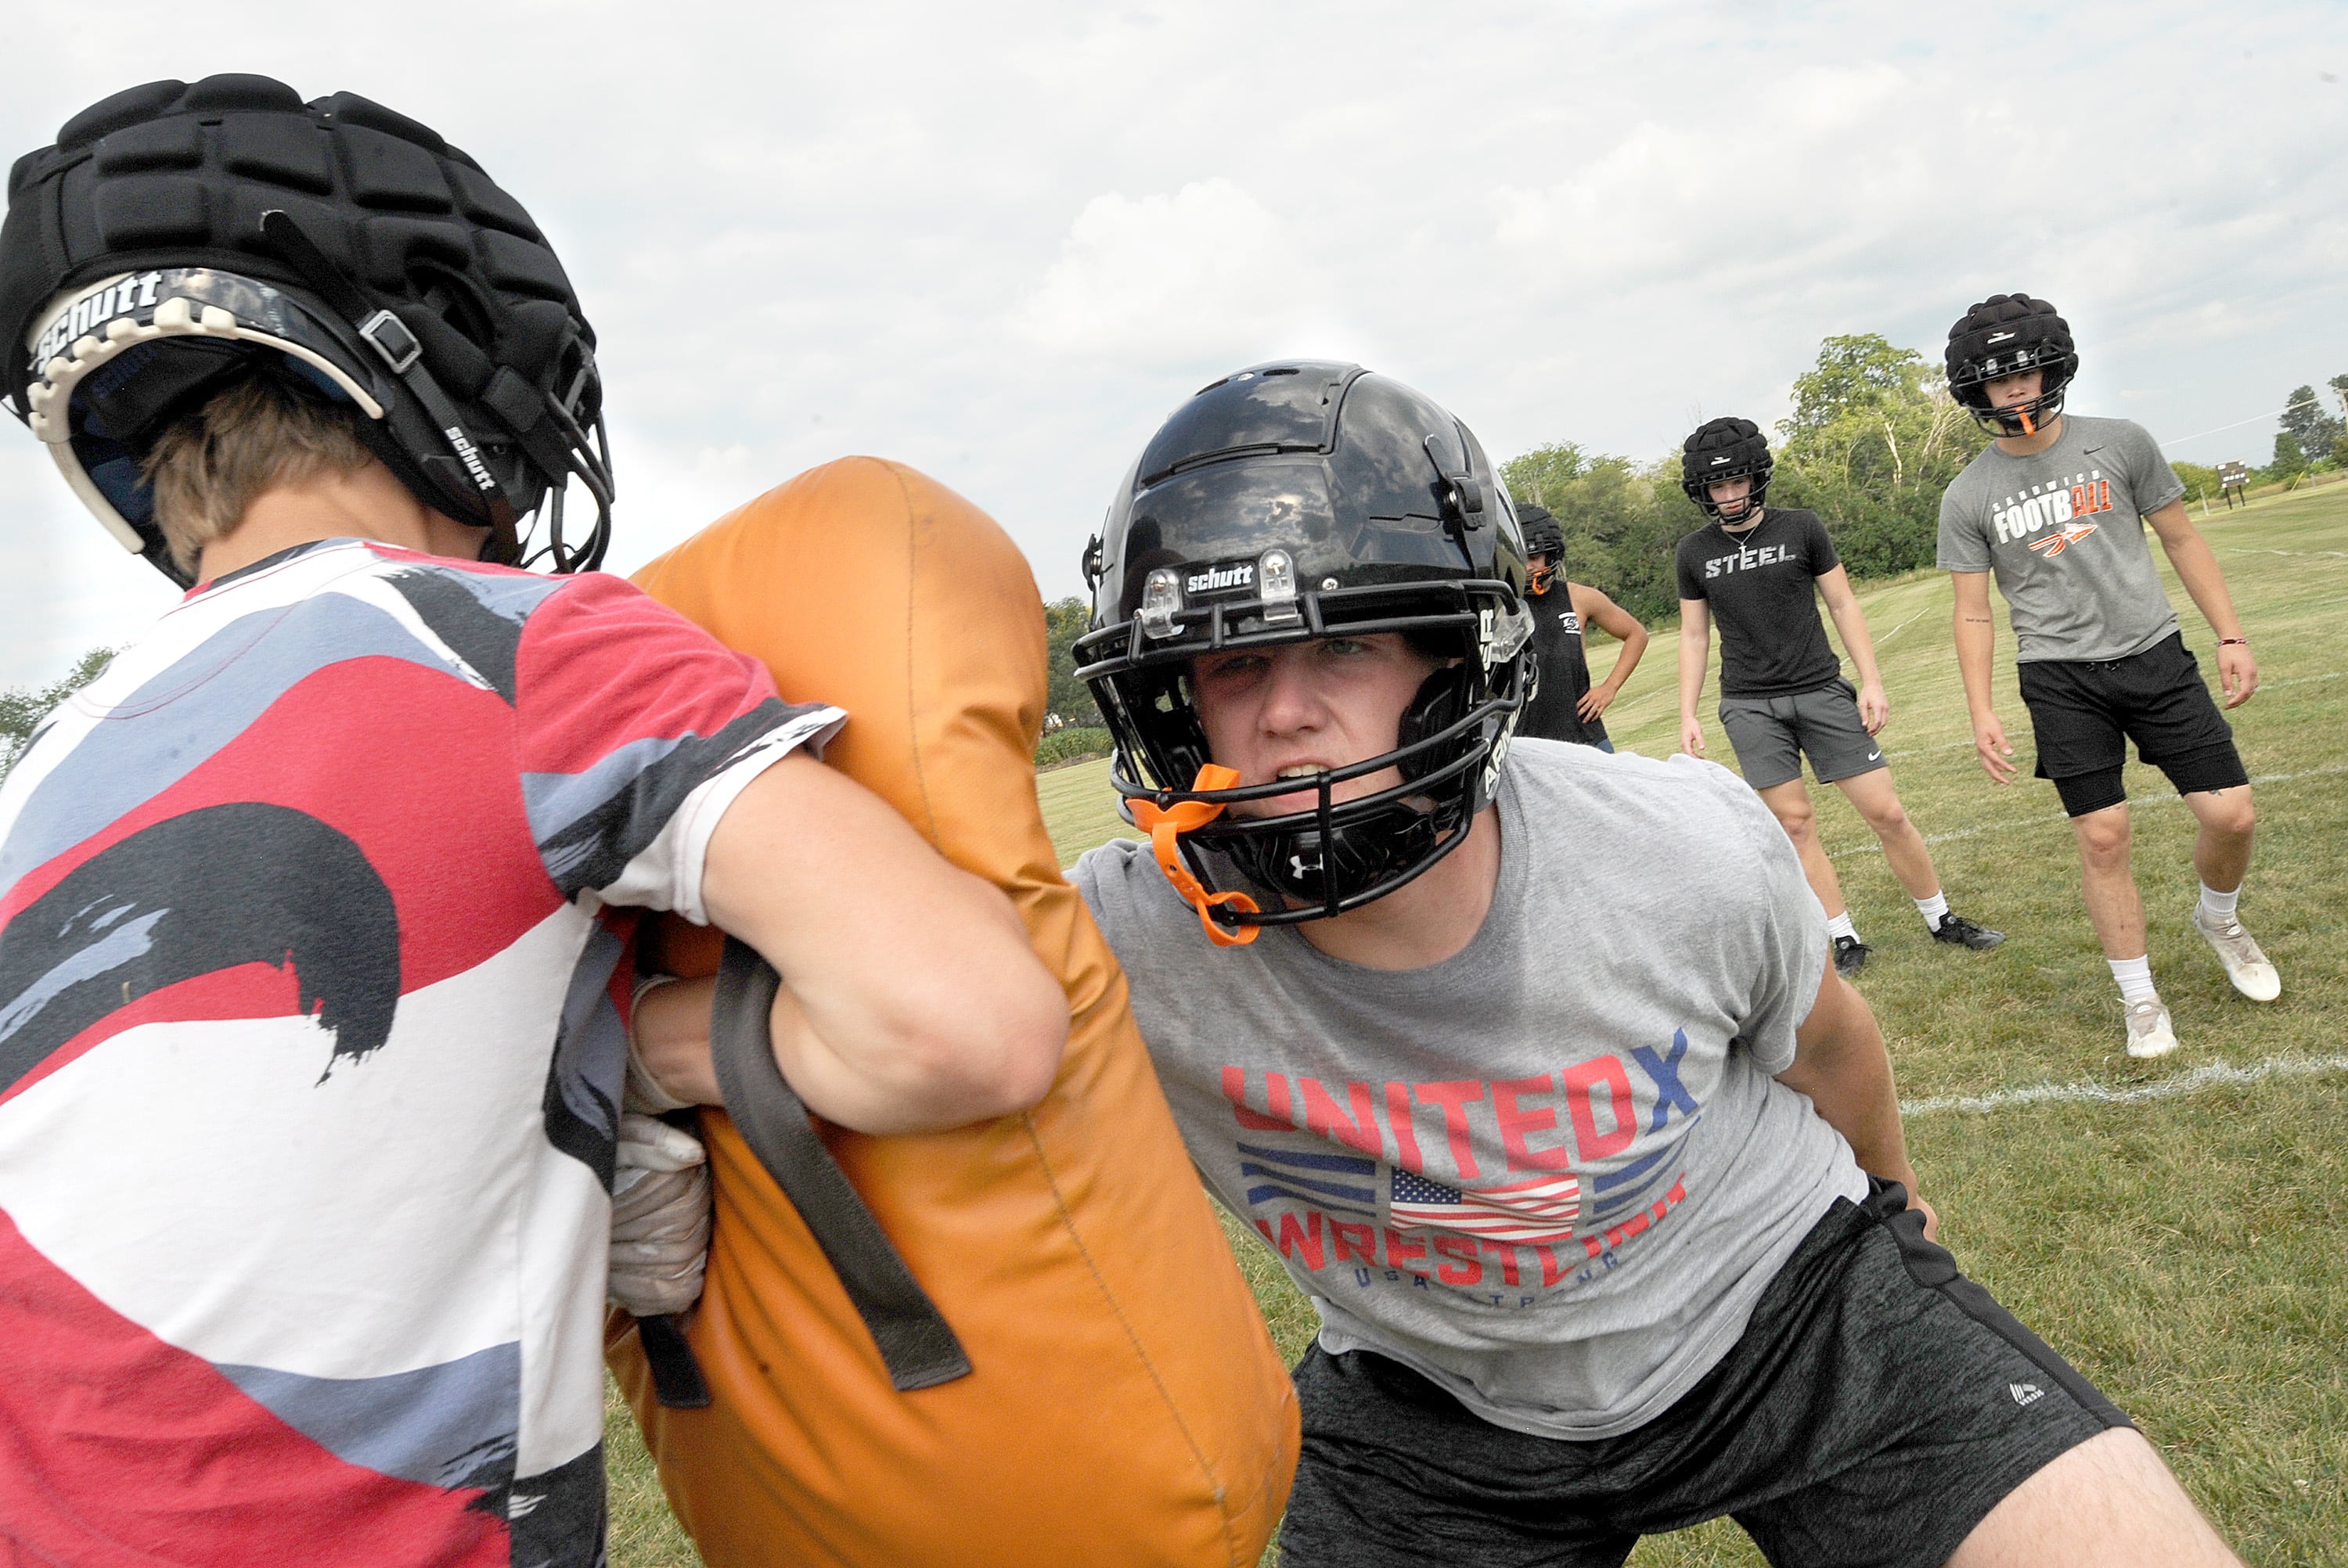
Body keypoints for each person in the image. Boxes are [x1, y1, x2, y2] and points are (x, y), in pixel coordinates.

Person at [0, 77, 1063, 1565]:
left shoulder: (41, 762)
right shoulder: (512, 640)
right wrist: (632, 1064)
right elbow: (966, 1023)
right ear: (434, 361)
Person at [1064, 361, 2240, 1567]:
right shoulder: (1113, 945)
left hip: (1783, 1300)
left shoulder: (1678, 845)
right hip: (1435, 1397)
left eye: (1348, 646)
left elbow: (1830, 1043)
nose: (1284, 715)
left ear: (1457, 653)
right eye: (1236, 665)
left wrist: (1893, 1200)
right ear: (1170, 702)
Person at [1937, 293, 2274, 1059]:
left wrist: (2230, 633)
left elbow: (2184, 542)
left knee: (2232, 816)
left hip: (2154, 654)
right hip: (2058, 676)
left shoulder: (2121, 442)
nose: (2016, 389)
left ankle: (2219, 917)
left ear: (2053, 367)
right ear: (1977, 392)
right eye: (1998, 379)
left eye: (2027, 371)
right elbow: (1972, 612)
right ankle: (2141, 999)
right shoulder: (1968, 495)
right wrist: (1981, 708)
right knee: (2103, 835)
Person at [1674, 416, 2004, 976]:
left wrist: (1870, 681)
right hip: (1750, 705)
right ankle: (1843, 936)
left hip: (1821, 690)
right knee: (1796, 825)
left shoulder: (1801, 527)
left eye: (1737, 483)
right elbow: (1694, 634)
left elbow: (1844, 604)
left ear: (1758, 478)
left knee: (1888, 813)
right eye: (1717, 487)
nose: (1729, 496)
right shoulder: (1693, 552)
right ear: (1702, 491)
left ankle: (1941, 918)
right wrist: (1687, 711)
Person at [1514, 504, 1648, 750]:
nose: (1527, 567)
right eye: (1520, 558)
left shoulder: (1580, 598)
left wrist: (1609, 688)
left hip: (1585, 735)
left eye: (1534, 557)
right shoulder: (1496, 605)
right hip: (1524, 745)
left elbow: (1636, 634)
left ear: (1551, 554)